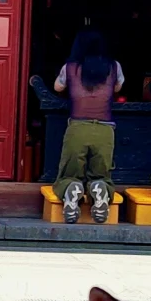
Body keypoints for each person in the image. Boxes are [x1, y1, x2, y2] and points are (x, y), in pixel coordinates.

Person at [52, 30, 124, 224]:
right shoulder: (114, 67)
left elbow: (57, 87)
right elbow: (118, 87)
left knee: (69, 173)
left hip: (78, 128)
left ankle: (72, 190)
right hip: (105, 131)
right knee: (101, 174)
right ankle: (99, 188)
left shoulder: (70, 68)